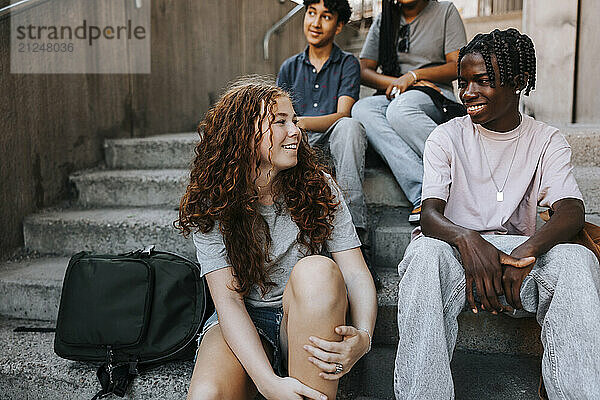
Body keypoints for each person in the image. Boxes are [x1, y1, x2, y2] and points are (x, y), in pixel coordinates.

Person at [394, 29, 600, 399]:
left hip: (518, 268)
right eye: (463, 82)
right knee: (424, 255)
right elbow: (429, 216)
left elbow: (570, 211)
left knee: (576, 259)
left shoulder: (546, 139)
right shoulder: (446, 137)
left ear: (519, 82)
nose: (468, 93)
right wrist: (468, 238)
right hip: (458, 259)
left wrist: (524, 252)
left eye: (482, 81)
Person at [178, 79, 377, 400]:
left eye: (294, 120)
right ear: (242, 134)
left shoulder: (319, 187)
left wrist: (364, 337)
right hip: (244, 319)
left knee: (318, 270)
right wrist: (268, 382)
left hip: (305, 314)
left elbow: (354, 271)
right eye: (280, 121)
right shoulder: (212, 201)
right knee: (206, 396)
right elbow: (228, 301)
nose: (296, 130)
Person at [276, 0, 376, 287]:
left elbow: (343, 113)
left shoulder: (347, 64)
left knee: (351, 125)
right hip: (299, 140)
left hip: (333, 136)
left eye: (326, 16)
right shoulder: (289, 67)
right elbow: (280, 117)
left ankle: (357, 237)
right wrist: (295, 127)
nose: (316, 23)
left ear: (340, 25)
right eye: (311, 13)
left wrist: (302, 122)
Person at [351, 0, 467, 224]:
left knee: (401, 110)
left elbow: (458, 65)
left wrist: (415, 77)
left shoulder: (445, 11)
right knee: (362, 109)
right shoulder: (386, 18)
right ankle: (422, 192)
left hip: (433, 93)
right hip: (396, 91)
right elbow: (364, 69)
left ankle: (461, 167)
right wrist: (401, 82)